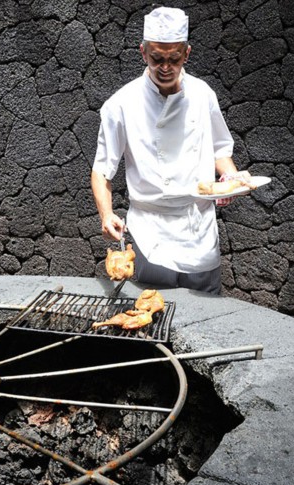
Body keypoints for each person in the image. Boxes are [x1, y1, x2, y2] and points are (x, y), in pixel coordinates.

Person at [91, 6, 251, 293]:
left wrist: (230, 180)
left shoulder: (203, 94)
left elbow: (219, 150)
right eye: (157, 59)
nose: (165, 67)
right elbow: (102, 169)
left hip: (197, 227)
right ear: (143, 53)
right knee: (150, 310)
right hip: (150, 230)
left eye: (174, 59)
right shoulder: (121, 104)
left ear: (186, 54)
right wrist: (106, 215)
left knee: (205, 312)